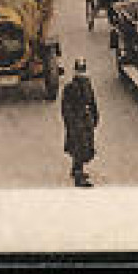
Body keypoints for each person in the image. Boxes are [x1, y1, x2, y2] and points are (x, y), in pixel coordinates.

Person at [60, 59, 99, 188]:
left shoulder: (87, 84)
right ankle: (78, 176)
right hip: (76, 121)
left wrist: (95, 117)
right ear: (75, 72)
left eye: (83, 71)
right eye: (79, 71)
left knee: (85, 146)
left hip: (86, 120)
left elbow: (92, 101)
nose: (81, 74)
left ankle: (75, 169)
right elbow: (66, 108)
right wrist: (71, 124)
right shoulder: (70, 87)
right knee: (79, 148)